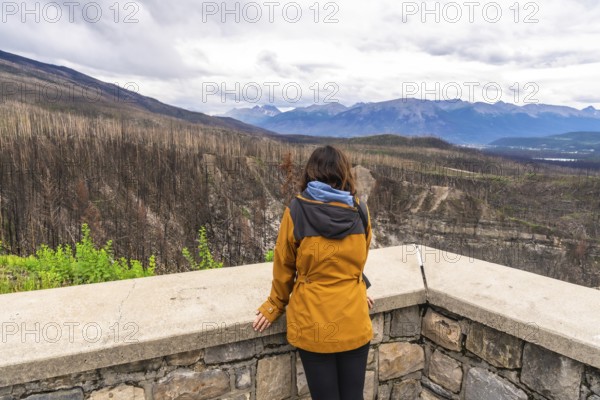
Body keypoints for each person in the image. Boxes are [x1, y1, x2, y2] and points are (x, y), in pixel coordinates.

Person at [253, 145, 374, 400]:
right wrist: (358, 285)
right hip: (352, 318)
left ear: (311, 173)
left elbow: (284, 264)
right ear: (344, 173)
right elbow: (358, 257)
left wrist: (274, 305)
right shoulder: (360, 210)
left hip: (314, 322)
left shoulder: (296, 211)